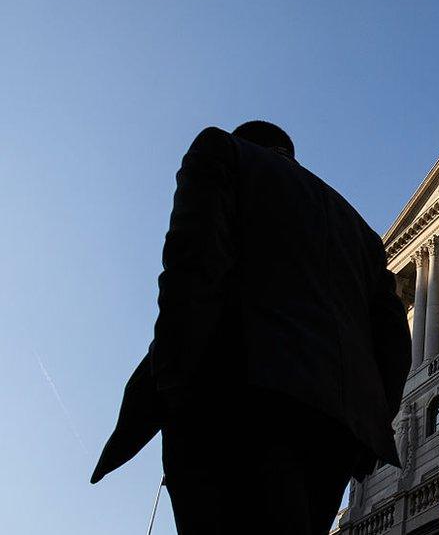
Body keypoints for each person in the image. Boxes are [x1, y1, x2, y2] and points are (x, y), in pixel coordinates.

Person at [91, 121, 411, 534]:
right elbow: (392, 338)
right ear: (288, 152)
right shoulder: (362, 232)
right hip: (334, 429)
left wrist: (175, 380)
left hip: (234, 390)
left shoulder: (222, 150)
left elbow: (192, 265)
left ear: (245, 140)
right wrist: (371, 425)